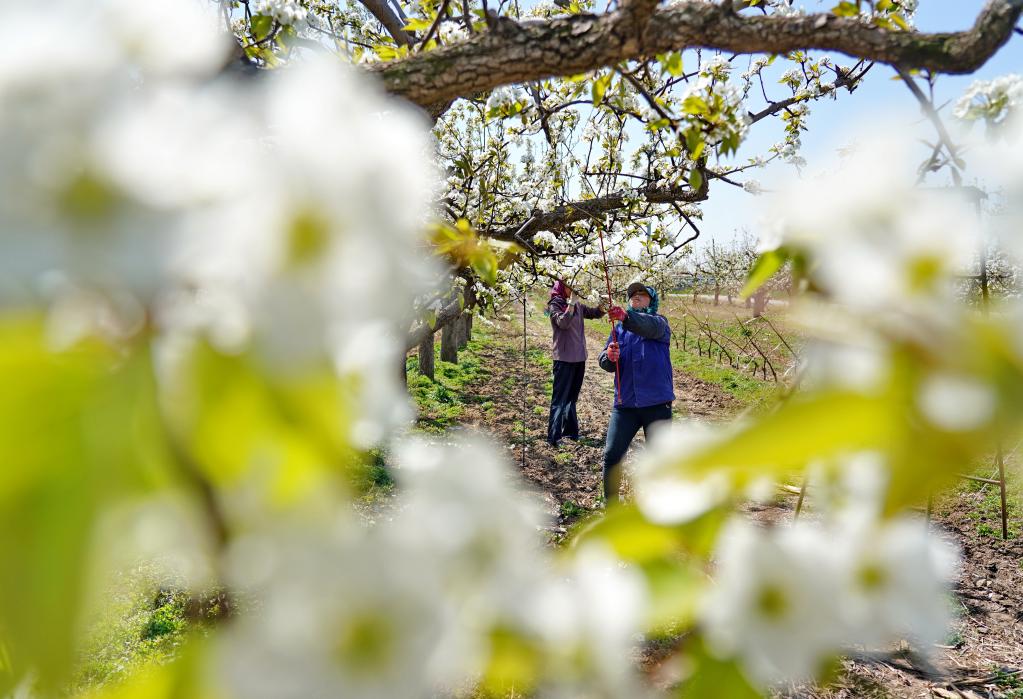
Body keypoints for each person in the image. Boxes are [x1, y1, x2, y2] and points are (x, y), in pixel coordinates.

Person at [598, 281, 675, 504]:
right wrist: (609, 357)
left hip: (657, 404)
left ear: (652, 300)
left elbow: (647, 326)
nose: (637, 297)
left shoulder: (660, 323)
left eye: (642, 294)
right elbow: (605, 359)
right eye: (633, 295)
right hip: (626, 404)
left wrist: (626, 317)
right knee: (612, 455)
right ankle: (611, 509)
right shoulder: (619, 329)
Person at [545, 280, 606, 446]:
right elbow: (563, 323)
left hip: (579, 357)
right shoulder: (555, 304)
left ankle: (571, 432)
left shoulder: (578, 305)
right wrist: (571, 303)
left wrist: (603, 306)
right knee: (559, 399)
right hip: (564, 359)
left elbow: (593, 313)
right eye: (570, 286)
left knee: (572, 398)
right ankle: (553, 437)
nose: (574, 290)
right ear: (562, 287)